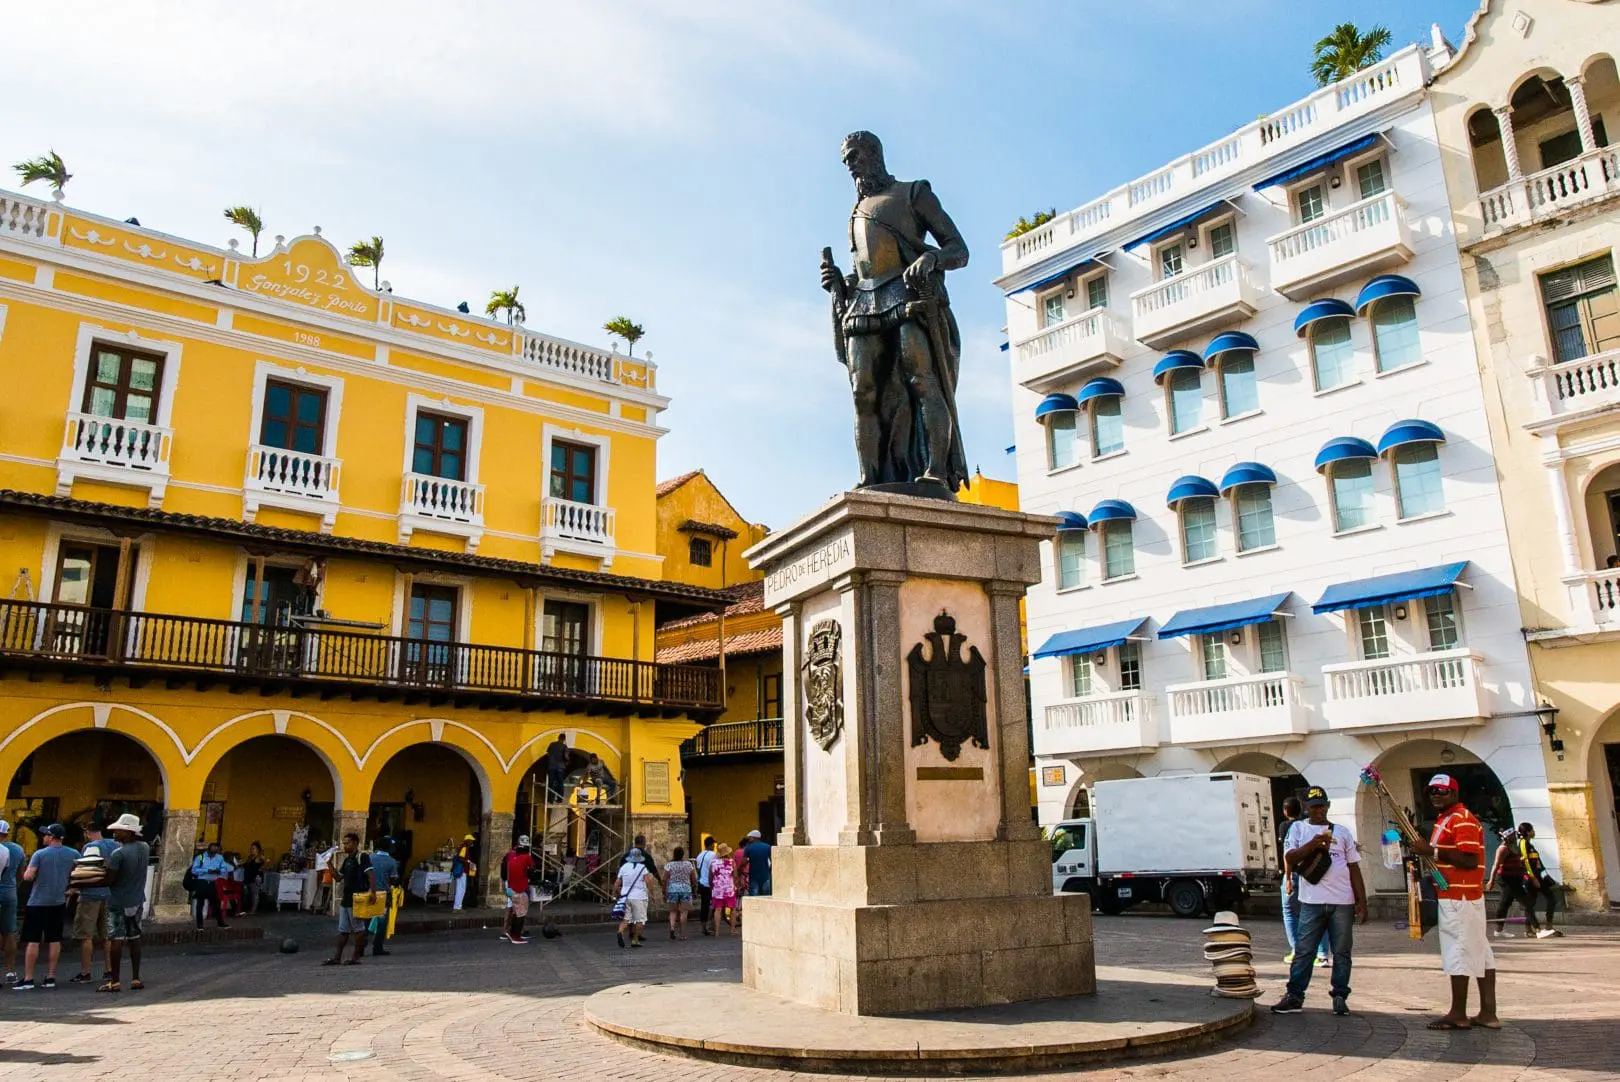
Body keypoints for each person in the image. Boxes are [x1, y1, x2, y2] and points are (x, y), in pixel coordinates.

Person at [1408, 773, 1499, 1030]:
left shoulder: (1462, 819)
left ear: (1454, 794)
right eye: (1432, 791)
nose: (1436, 795)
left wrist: (1432, 851)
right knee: (1481, 952)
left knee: (1457, 951)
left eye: (1442, 791)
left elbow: (1469, 859)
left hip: (1459, 897)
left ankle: (1458, 1013)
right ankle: (1487, 1012)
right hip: (1460, 895)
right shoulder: (1446, 820)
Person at [1271, 787, 1367, 1017]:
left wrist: (1361, 901)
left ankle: (1340, 995)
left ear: (1328, 806)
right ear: (1306, 807)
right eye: (1314, 806)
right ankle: (1295, 995)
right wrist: (1313, 845)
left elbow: (1354, 868)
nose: (1318, 810)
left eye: (1322, 805)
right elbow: (1290, 858)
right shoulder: (1298, 828)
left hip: (1342, 901)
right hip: (1311, 901)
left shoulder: (1342, 832)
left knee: (1342, 951)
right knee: (1304, 950)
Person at [13, 823, 80, 991]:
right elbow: (80, 873)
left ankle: (28, 978)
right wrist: (71, 888)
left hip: (38, 901)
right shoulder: (73, 853)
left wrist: (26, 871)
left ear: (51, 837)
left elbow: (28, 876)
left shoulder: (40, 854)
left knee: (33, 940)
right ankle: (51, 976)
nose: (43, 837)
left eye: (45, 835)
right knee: (54, 939)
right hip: (58, 901)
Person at [100, 813, 150, 992]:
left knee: (117, 940)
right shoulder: (144, 848)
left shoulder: (118, 853)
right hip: (137, 899)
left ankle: (115, 981)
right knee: (135, 939)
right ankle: (136, 978)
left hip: (118, 901)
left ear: (128, 832)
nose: (115, 833)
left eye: (118, 830)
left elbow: (109, 880)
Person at [69, 822, 118, 984]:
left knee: (86, 935)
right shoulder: (115, 845)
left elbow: (85, 871)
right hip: (110, 894)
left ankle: (85, 972)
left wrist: (74, 887)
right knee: (107, 935)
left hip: (90, 895)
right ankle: (109, 970)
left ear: (87, 832)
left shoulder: (91, 847)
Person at [322, 833, 375, 966]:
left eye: (347, 843)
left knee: (359, 928)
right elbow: (339, 878)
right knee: (343, 930)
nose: (345, 846)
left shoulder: (362, 857)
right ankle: (337, 957)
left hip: (357, 898)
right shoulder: (347, 861)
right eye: (344, 843)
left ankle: (356, 957)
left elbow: (370, 875)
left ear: (356, 843)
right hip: (346, 899)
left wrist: (373, 893)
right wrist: (328, 863)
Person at [1513, 824, 1562, 939]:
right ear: (1528, 832)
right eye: (1532, 830)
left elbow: (1534, 861)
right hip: (1531, 878)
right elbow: (1525, 861)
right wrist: (1533, 878)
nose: (1534, 832)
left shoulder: (1529, 844)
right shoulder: (1523, 843)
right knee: (1534, 903)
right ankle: (1535, 929)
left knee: (1536, 901)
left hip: (1537, 877)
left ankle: (1539, 928)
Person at [1487, 827, 1532, 938]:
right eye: (1512, 835)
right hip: (1508, 880)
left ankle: (1499, 930)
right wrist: (1491, 880)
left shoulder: (1510, 847)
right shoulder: (1503, 849)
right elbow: (1496, 865)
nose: (1514, 836)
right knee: (1527, 903)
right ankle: (1532, 929)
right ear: (1507, 837)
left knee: (1505, 904)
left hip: (1514, 879)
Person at [613, 848, 659, 948]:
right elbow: (648, 882)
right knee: (639, 920)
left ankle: (620, 932)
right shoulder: (642, 868)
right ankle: (635, 940)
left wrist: (615, 893)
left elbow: (617, 882)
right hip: (639, 897)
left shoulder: (624, 867)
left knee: (626, 919)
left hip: (626, 896)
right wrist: (651, 894)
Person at [500, 835, 541, 945]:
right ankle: (516, 934)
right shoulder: (526, 856)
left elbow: (503, 869)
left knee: (511, 907)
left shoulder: (509, 854)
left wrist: (506, 882)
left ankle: (506, 931)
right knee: (520, 911)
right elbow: (532, 870)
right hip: (519, 885)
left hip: (509, 884)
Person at [0, 819, 24, 985]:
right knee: (9, 932)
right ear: (7, 833)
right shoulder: (17, 849)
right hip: (9, 891)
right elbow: (21, 875)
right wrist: (13, 885)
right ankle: (9, 971)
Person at [367, 838, 400, 956]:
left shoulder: (369, 858)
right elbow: (394, 879)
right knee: (381, 922)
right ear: (388, 848)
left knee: (365, 919)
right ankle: (377, 947)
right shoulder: (392, 862)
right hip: (383, 895)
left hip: (368, 893)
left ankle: (360, 946)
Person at [189, 842, 231, 929]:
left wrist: (219, 870)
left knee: (216, 903)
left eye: (216, 851)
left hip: (212, 883)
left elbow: (224, 868)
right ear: (208, 850)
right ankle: (200, 925)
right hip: (202, 882)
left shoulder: (219, 858)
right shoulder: (200, 857)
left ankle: (220, 922)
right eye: (213, 851)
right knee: (200, 903)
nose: (214, 853)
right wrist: (207, 870)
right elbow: (194, 870)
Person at [663, 847, 696, 940]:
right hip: (686, 890)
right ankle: (682, 934)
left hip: (673, 890)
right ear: (683, 854)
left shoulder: (669, 865)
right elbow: (693, 878)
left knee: (673, 911)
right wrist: (694, 888)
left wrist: (664, 891)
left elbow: (665, 879)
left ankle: (672, 928)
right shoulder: (688, 864)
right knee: (683, 912)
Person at [708, 843, 739, 936]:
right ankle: (732, 929)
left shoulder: (713, 862)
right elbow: (735, 876)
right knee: (733, 909)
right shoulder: (732, 862)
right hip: (729, 889)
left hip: (717, 890)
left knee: (718, 909)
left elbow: (710, 876)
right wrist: (735, 885)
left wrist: (712, 885)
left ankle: (717, 931)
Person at [694, 836, 717, 936]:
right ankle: (711, 925)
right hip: (710, 883)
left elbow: (698, 869)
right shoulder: (713, 855)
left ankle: (703, 926)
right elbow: (714, 869)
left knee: (704, 905)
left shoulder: (700, 855)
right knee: (714, 904)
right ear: (711, 844)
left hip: (702, 882)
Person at [239, 841, 268, 916]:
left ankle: (253, 910)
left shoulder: (259, 857)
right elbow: (247, 866)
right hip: (248, 877)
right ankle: (248, 908)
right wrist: (240, 864)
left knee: (255, 893)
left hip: (255, 877)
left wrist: (262, 868)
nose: (252, 850)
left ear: (258, 849)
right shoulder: (250, 857)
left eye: (253, 848)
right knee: (247, 892)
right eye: (251, 848)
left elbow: (266, 863)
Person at [742, 829, 773, 898]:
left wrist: (740, 871)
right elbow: (772, 860)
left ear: (754, 838)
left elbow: (743, 862)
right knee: (766, 896)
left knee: (754, 896)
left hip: (753, 876)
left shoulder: (748, 848)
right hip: (766, 875)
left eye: (750, 837)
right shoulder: (768, 846)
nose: (749, 839)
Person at [451, 834, 477, 911]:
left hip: (462, 870)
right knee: (461, 889)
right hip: (462, 870)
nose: (472, 842)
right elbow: (460, 858)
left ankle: (458, 906)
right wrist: (469, 862)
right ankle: (457, 907)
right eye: (471, 840)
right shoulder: (464, 847)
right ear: (467, 841)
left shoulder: (462, 846)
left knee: (460, 888)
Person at [545, 734, 570, 802]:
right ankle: (559, 799)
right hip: (560, 767)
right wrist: (567, 761)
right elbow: (566, 756)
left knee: (551, 783)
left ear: (558, 737)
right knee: (560, 783)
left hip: (551, 766)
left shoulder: (552, 744)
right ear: (564, 739)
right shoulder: (564, 746)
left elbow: (548, 754)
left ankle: (550, 799)